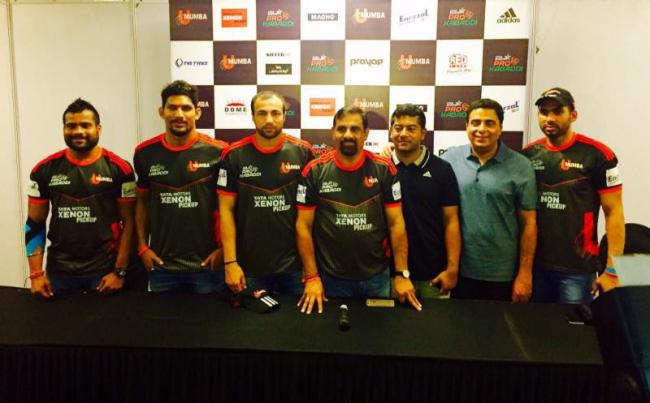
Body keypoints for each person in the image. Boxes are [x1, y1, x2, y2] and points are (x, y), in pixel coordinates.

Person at [296, 106, 421, 314]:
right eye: (341, 129)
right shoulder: (314, 171)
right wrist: (311, 276)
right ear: (333, 132)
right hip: (330, 279)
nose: (348, 134)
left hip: (376, 277)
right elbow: (303, 226)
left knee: (377, 333)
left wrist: (401, 273)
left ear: (366, 134)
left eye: (355, 129)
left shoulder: (384, 169)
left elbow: (396, 224)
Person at [523, 87, 625, 303]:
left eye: (557, 111)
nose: (549, 118)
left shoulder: (599, 155)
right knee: (535, 325)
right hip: (536, 268)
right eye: (544, 112)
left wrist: (613, 271)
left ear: (573, 115)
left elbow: (614, 212)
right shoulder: (528, 154)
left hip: (577, 271)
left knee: (575, 326)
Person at [26, 98, 135, 297]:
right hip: (59, 272)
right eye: (71, 126)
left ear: (98, 128)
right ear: (63, 129)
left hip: (105, 272)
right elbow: (34, 223)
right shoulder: (43, 170)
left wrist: (119, 272)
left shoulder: (120, 169)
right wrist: (35, 274)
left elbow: (129, 223)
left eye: (85, 125)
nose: (78, 131)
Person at [134, 80, 227, 293]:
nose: (179, 114)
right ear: (161, 112)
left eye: (186, 108)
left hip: (208, 266)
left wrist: (225, 250)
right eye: (172, 108)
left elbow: (230, 207)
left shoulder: (219, 152)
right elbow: (142, 203)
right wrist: (142, 247)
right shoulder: (145, 153)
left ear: (197, 112)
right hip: (161, 266)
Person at [218, 91, 314, 295]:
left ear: (284, 116)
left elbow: (312, 214)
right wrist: (230, 262)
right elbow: (225, 210)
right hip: (248, 268)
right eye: (262, 113)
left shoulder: (303, 152)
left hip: (295, 268)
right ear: (252, 116)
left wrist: (311, 267)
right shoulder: (233, 155)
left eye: (275, 113)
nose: (269, 120)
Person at [442, 98, 537, 302]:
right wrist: (392, 151)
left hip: (503, 273)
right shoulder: (450, 158)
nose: (482, 129)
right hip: (460, 271)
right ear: (466, 126)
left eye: (490, 123)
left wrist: (525, 273)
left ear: (500, 128)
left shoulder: (521, 166)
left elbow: (529, 224)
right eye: (475, 123)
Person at [389, 104, 461, 298]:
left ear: (423, 133)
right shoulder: (381, 168)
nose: (403, 134)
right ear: (391, 131)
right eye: (398, 128)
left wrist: (452, 269)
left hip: (434, 275)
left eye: (411, 128)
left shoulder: (442, 169)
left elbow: (451, 221)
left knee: (434, 320)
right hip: (390, 276)